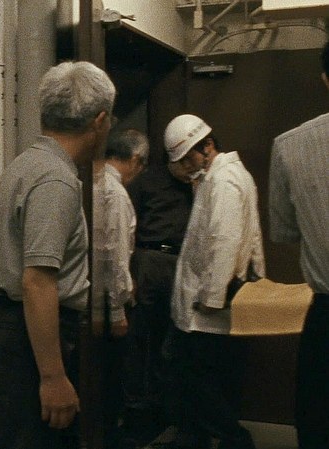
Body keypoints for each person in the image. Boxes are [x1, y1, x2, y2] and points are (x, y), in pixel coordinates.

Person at [0, 61, 116, 449]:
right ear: (100, 121)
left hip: (7, 331)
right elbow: (37, 281)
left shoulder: (26, 165)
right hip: (26, 340)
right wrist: (52, 377)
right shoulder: (55, 179)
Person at [164, 114, 264, 449]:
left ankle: (238, 440)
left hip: (208, 308)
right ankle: (200, 440)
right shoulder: (221, 177)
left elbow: (224, 242)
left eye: (188, 158)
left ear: (207, 145)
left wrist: (212, 297)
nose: (185, 167)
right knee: (210, 382)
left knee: (201, 382)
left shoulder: (223, 181)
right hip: (209, 304)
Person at [268, 40, 329, 449]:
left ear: (325, 79)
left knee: (318, 428)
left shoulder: (290, 145)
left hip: (326, 316)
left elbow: (285, 231)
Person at [121, 156, 195, 447]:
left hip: (182, 260)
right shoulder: (147, 181)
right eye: (183, 162)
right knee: (139, 338)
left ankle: (171, 413)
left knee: (175, 341)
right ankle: (138, 413)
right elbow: (128, 225)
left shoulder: (201, 183)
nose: (189, 168)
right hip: (149, 258)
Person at [92, 129, 149, 448]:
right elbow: (113, 252)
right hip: (108, 302)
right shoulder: (115, 193)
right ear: (136, 160)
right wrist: (118, 310)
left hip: (95, 296)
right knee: (113, 378)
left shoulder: (96, 182)